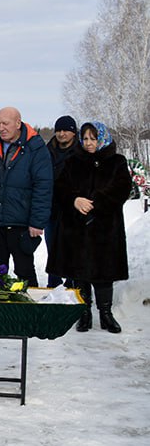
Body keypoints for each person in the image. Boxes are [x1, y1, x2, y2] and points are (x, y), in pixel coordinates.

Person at [47, 121, 130, 333]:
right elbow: (60, 187)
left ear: (102, 139)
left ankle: (106, 314)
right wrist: (75, 200)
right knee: (79, 272)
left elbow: (122, 188)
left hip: (105, 228)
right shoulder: (73, 161)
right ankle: (84, 313)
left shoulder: (117, 162)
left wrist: (97, 203)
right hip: (77, 227)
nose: (88, 143)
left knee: (104, 274)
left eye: (93, 138)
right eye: (85, 139)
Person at [0, 107, 53, 287]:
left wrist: (37, 222)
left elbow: (43, 187)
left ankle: (30, 304)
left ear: (18, 123)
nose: (1, 128)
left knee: (25, 272)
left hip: (20, 223)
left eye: (5, 123)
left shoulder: (35, 148)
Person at [45, 115, 79, 288]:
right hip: (51, 207)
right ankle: (54, 283)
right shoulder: (47, 150)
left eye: (66, 130)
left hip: (72, 209)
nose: (61, 134)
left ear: (73, 132)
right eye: (58, 130)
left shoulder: (80, 152)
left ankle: (72, 284)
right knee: (52, 247)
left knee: (71, 248)